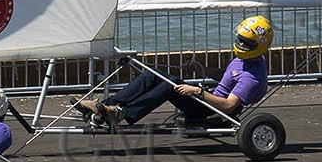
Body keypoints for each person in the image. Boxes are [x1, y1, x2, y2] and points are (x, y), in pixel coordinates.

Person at [74, 15, 272, 128]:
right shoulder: (247, 59)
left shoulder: (252, 78)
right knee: (153, 74)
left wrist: (197, 91)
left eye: (246, 43)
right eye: (240, 40)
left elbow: (228, 106)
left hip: (211, 109)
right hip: (207, 98)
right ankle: (106, 106)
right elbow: (228, 76)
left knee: (170, 86)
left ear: (260, 45)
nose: (241, 45)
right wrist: (202, 69)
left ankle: (119, 114)